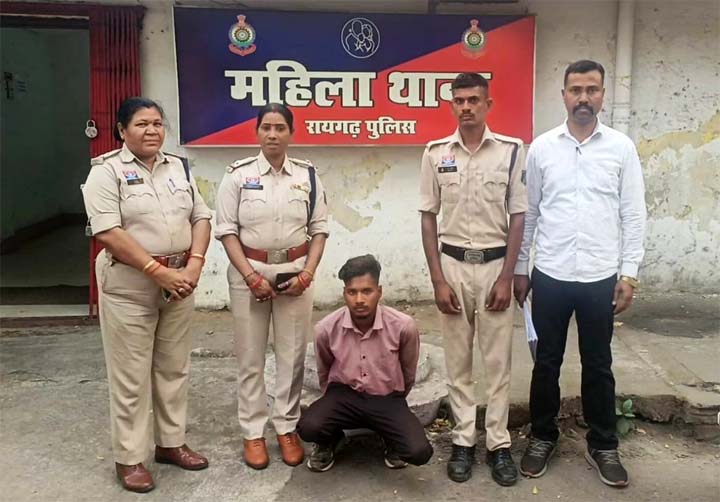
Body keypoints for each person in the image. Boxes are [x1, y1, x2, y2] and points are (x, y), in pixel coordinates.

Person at [514, 60, 647, 488]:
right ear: (564, 95)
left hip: (598, 276)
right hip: (550, 274)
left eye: (592, 90)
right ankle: (542, 437)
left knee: (599, 364)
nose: (584, 98)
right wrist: (521, 269)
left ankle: (603, 444)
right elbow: (530, 214)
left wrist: (629, 274)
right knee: (545, 363)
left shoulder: (621, 148)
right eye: (576, 90)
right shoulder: (542, 148)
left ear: (603, 95)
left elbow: (633, 214)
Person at [82, 97, 212, 493]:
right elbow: (109, 232)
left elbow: (200, 217)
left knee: (174, 368)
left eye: (157, 123)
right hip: (130, 285)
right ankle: (129, 458)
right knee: (131, 376)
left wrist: (194, 264)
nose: (151, 130)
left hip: (179, 281)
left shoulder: (179, 167)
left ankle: (171, 443)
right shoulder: (106, 172)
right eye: (141, 123)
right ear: (122, 130)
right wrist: (159, 273)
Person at [419, 73, 527, 486]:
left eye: (473, 100)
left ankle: (498, 444)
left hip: (495, 267)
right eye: (459, 100)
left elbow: (518, 217)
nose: (466, 107)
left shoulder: (511, 152)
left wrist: (507, 276)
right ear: (451, 105)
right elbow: (428, 218)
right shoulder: (435, 154)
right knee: (458, 361)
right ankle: (463, 440)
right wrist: (437, 280)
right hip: (453, 268)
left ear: (488, 104)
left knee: (497, 363)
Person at [215, 103, 329, 470]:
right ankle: (252, 432)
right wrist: (250, 276)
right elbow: (226, 231)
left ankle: (286, 427)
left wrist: (307, 273)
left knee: (291, 356)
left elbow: (319, 229)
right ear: (257, 132)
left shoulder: (308, 176)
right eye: (266, 127)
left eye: (280, 128)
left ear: (291, 133)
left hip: (295, 272)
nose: (273, 134)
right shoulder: (237, 176)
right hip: (248, 272)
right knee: (250, 356)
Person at [297, 255, 433, 472]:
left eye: (367, 291)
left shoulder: (402, 326)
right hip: (344, 396)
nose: (359, 299)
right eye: (352, 292)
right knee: (308, 426)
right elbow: (325, 370)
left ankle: (390, 437)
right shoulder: (326, 328)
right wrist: (332, 402)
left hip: (386, 398)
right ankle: (331, 440)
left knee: (419, 451)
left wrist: (394, 402)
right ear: (344, 293)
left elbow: (408, 371)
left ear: (379, 291)